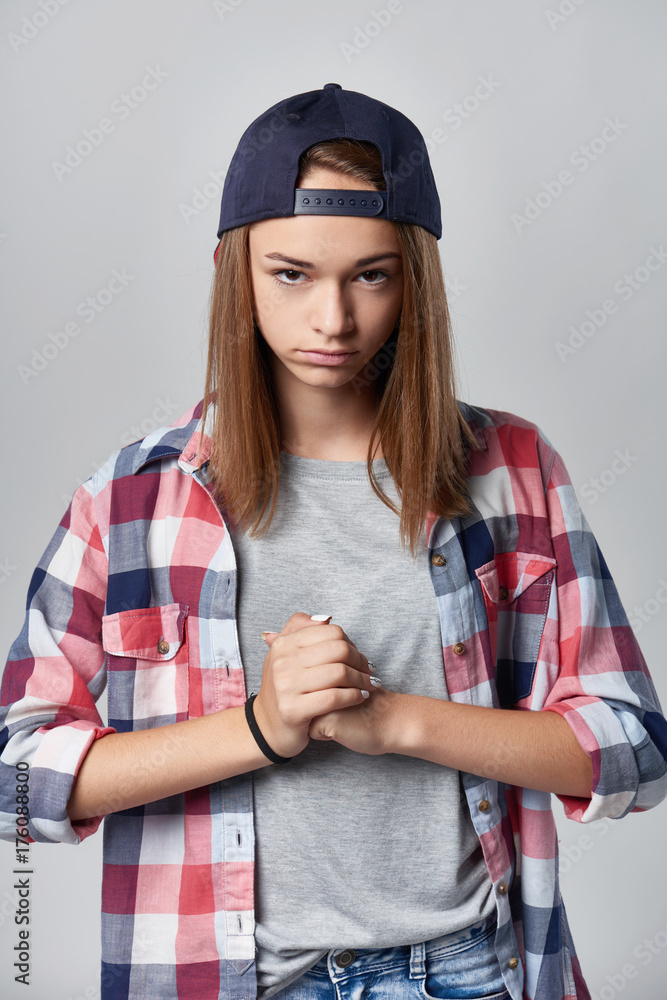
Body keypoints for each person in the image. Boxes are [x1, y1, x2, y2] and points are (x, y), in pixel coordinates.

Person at [1, 83, 666, 1000]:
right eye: (291, 273)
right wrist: (261, 729)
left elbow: (632, 746)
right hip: (232, 981)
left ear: (413, 280)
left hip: (470, 970)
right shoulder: (130, 499)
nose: (333, 320)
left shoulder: (509, 468)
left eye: (370, 274)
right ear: (235, 270)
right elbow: (14, 776)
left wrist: (402, 722)